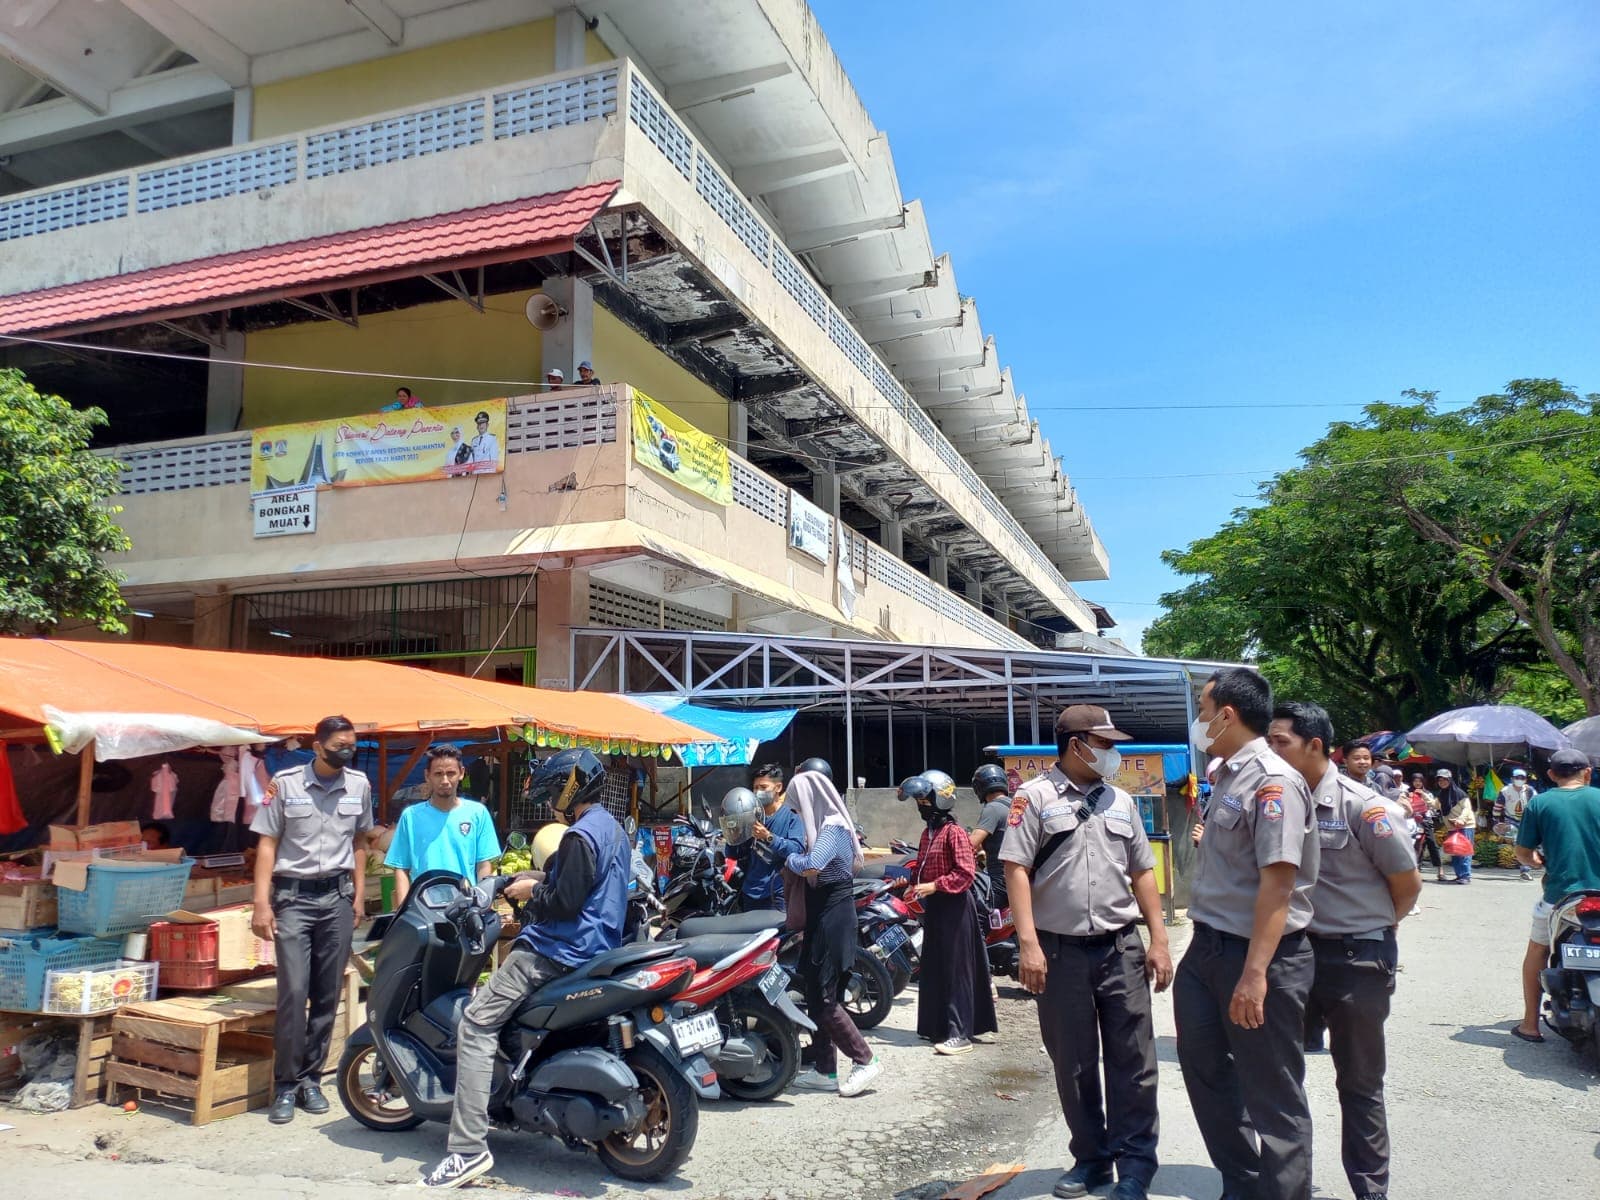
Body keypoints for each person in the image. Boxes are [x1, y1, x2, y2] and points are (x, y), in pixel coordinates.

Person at [421, 748, 627, 1189]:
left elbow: (564, 903)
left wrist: (533, 895)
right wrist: (539, 879)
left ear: (568, 791)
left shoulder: (577, 837)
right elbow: (580, 887)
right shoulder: (610, 828)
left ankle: (467, 1149)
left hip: (555, 951)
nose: (551, 800)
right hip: (596, 948)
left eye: (554, 791)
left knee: (476, 1023)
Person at [1002, 705, 1172, 1200]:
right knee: (1073, 1062)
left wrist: (1158, 939)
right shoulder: (1032, 798)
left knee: (1134, 1062)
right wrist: (1028, 944)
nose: (1111, 753)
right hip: (1059, 952)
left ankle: (1136, 1164)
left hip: (1121, 947)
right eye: (1103, 744)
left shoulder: (1120, 801)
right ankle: (1092, 1159)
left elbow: (1143, 871)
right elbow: (1015, 869)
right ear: (1075, 744)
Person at [1173, 668, 1319, 1200]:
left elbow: (1278, 887)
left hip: (1260, 957)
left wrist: (1255, 974)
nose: (1200, 719)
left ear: (1227, 715)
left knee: (1272, 1091)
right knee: (1205, 1069)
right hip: (1207, 946)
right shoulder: (1227, 775)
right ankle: (1244, 1182)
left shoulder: (1272, 782)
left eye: (1203, 708)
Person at [1269, 702, 1420, 1200]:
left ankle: (1370, 1189)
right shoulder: (1275, 800)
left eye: (1280, 743)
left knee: (1358, 1082)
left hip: (1357, 960)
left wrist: (1373, 927)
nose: (1270, 752)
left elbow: (1406, 883)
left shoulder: (1364, 806)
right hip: (1292, 956)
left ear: (1315, 746)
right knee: (1281, 1079)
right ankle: (1291, 1186)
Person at [250, 715, 372, 1125]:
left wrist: (357, 896)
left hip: (337, 899)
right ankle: (285, 1085)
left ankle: (310, 1080)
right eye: (339, 745)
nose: (347, 751)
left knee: (325, 994)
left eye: (351, 744)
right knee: (293, 992)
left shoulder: (359, 785)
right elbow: (267, 844)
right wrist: (260, 903)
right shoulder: (285, 784)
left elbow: (359, 842)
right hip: (293, 900)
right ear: (318, 747)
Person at [785, 770, 882, 1098]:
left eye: (798, 806)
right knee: (816, 997)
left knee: (826, 999)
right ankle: (826, 1070)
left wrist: (790, 858)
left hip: (833, 919)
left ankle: (864, 1059)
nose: (797, 813)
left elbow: (814, 863)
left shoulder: (833, 828)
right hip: (823, 918)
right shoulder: (829, 827)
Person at [1511, 748, 1600, 1044]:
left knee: (1537, 950)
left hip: (1562, 898)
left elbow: (1523, 853)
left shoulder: (1540, 803)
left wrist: (1535, 860)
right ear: (1587, 772)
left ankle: (1530, 1025)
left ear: (1551, 775)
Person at [907, 775, 998, 1055]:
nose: (922, 805)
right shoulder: (928, 833)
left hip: (956, 907)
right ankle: (937, 1026)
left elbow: (965, 873)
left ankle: (960, 1033)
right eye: (919, 800)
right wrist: (910, 885)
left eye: (925, 799)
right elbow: (920, 866)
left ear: (940, 799)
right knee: (934, 967)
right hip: (935, 907)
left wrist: (935, 885)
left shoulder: (953, 832)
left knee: (958, 971)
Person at [383, 745, 501, 907]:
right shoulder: (410, 817)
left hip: (464, 907)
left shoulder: (478, 813)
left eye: (450, 773)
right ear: (427, 776)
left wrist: (481, 905)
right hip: (422, 909)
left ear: (461, 773)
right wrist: (403, 911)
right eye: (438, 774)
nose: (445, 780)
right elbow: (401, 869)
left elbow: (484, 865)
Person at [728, 763, 805, 912]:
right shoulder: (750, 816)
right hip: (750, 891)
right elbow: (734, 854)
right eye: (755, 788)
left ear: (778, 787)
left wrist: (768, 837)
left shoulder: (791, 816)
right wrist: (733, 837)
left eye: (763, 788)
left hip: (777, 892)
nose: (757, 792)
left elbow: (797, 849)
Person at [969, 763, 1013, 911]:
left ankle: (976, 934)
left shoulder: (992, 808)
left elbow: (970, 844)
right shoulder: (1014, 806)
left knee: (965, 910)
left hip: (998, 883)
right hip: (1017, 879)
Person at [1496, 768, 1537, 881]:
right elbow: (1498, 806)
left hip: (1527, 820)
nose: (1519, 780)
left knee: (1527, 844)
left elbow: (1536, 805)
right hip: (1511, 820)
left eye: (1522, 778)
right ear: (1512, 779)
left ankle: (1526, 869)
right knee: (1518, 843)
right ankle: (1525, 870)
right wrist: (1497, 821)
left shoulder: (1530, 791)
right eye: (1517, 778)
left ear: (1525, 779)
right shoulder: (1505, 791)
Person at [1435, 769, 1475, 883]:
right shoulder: (1441, 795)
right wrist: (1423, 795)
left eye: (1444, 780)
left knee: (1463, 850)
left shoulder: (1459, 793)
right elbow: (1434, 805)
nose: (1442, 782)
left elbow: (1467, 809)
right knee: (1455, 851)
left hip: (1465, 825)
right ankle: (1459, 875)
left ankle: (1466, 876)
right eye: (1440, 780)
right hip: (1452, 826)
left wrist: (1461, 819)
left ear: (1450, 780)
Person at [1406, 772, 1444, 881]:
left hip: (1426, 821)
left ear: (1423, 782)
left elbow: (1433, 807)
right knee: (1417, 846)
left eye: (1419, 781)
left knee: (1432, 843)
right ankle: (1416, 870)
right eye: (1415, 781)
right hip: (1413, 823)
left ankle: (1440, 869)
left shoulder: (1428, 793)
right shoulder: (1408, 793)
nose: (1417, 783)